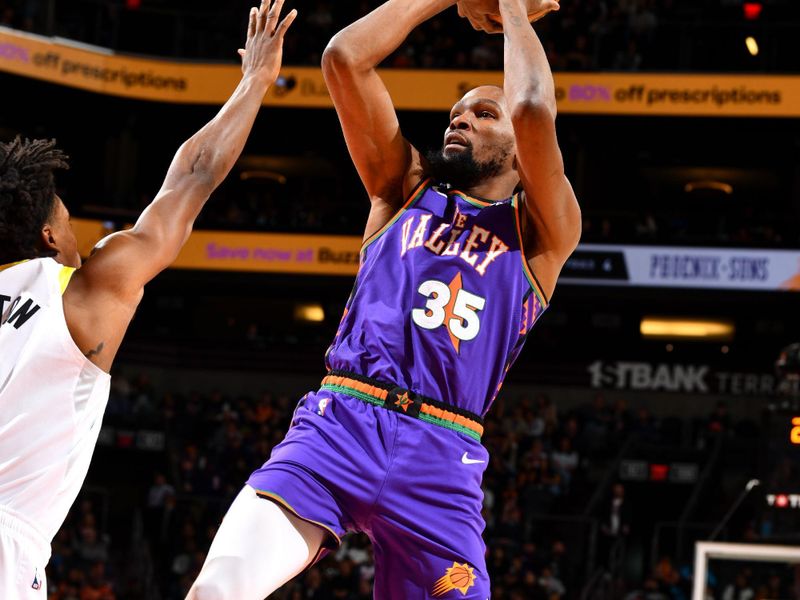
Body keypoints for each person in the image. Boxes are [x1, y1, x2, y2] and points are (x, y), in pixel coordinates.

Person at [187, 0, 580, 597]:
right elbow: (344, 58)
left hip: (443, 458)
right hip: (340, 423)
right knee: (219, 588)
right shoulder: (401, 188)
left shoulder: (542, 234)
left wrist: (511, 8)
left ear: (521, 156)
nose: (460, 121)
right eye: (455, 113)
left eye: (481, 113)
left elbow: (530, 108)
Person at [0, 1, 296, 597]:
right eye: (67, 217)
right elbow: (191, 178)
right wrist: (254, 83)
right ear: (48, 236)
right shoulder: (78, 293)